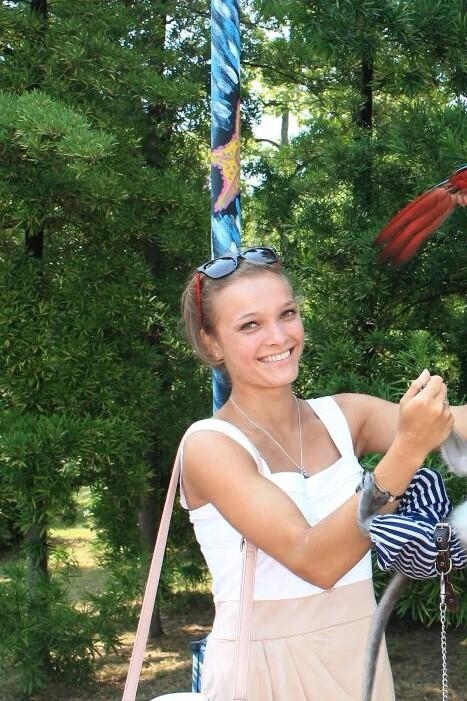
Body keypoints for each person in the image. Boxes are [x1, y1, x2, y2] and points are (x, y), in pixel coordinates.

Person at [177, 246, 467, 701]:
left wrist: (429, 425)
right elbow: (315, 560)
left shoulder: (345, 416)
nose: (278, 336)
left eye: (287, 314)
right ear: (211, 342)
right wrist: (408, 449)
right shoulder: (209, 446)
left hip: (359, 657)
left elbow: (457, 425)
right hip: (265, 672)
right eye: (250, 325)